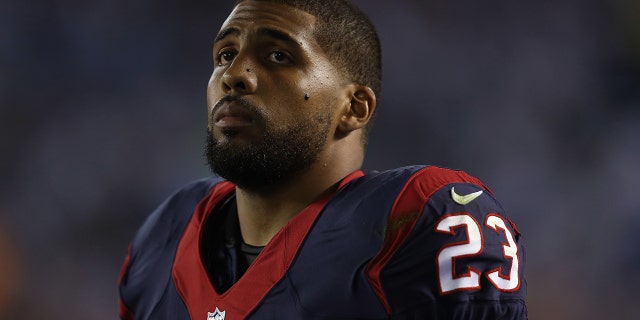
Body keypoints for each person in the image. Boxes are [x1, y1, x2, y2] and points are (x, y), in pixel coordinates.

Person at [118, 0, 528, 319]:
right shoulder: (164, 236)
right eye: (225, 54)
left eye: (278, 56)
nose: (234, 73)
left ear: (354, 108)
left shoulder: (416, 219)